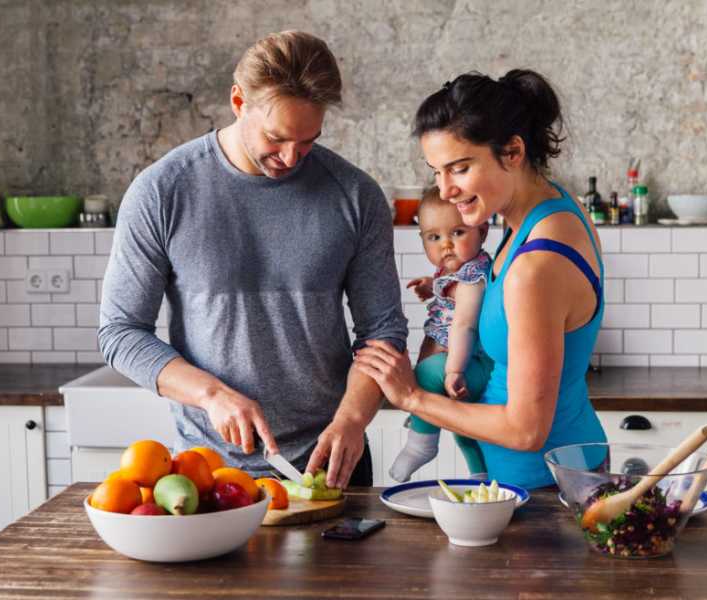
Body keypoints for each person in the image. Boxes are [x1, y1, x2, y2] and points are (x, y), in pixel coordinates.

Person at [98, 31, 408, 489]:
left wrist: (352, 420)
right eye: (277, 137)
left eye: (307, 141)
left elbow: (382, 333)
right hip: (208, 472)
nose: (291, 157)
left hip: (330, 469)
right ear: (238, 101)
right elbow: (121, 333)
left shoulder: (355, 196)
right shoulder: (162, 191)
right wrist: (212, 395)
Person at [354, 69, 607, 489]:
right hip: (558, 472)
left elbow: (526, 430)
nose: (445, 190)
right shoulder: (550, 207)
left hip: (546, 490)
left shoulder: (535, 266)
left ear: (512, 152)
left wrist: (412, 397)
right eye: (437, 172)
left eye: (460, 168)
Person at [388, 185, 493, 482]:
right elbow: (448, 286)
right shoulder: (459, 269)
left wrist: (453, 370)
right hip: (464, 359)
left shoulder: (473, 278)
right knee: (465, 430)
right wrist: (430, 285)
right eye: (434, 237)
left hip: (474, 362)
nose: (446, 244)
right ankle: (482, 478)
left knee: (423, 374)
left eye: (457, 233)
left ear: (482, 232)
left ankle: (421, 444)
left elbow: (464, 325)